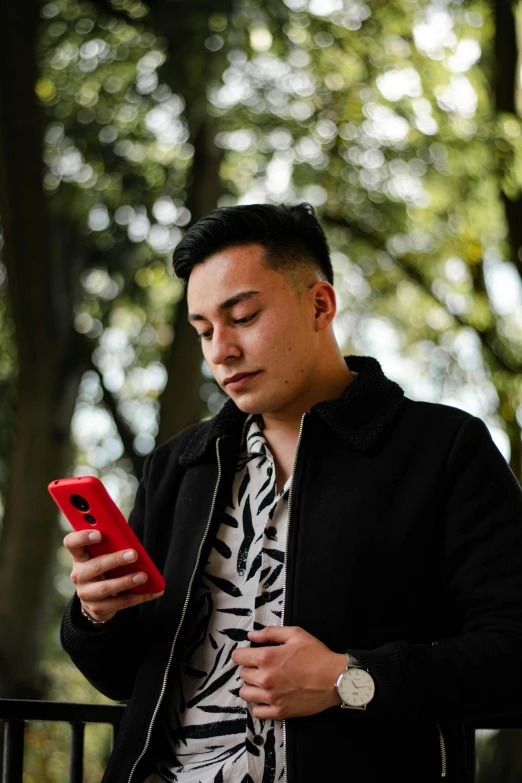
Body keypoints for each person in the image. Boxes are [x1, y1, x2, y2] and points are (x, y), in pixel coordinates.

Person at [61, 203, 522, 783]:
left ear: (320, 305)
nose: (219, 350)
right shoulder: (180, 466)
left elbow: (512, 651)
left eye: (244, 317)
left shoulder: (443, 448)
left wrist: (347, 679)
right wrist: (97, 616)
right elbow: (127, 680)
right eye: (203, 330)